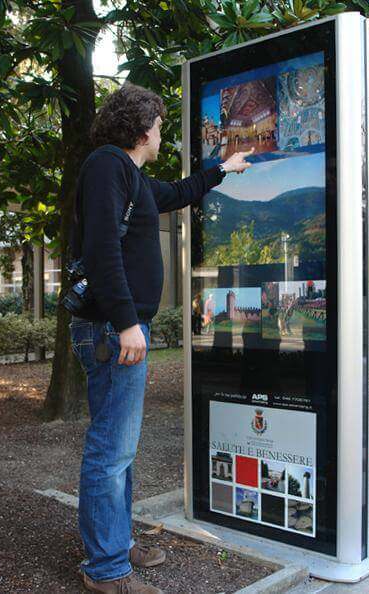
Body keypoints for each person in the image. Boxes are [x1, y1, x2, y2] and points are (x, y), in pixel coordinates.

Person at [68, 83, 253, 594]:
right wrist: (127, 321)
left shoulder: (130, 176)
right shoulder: (107, 166)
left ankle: (115, 543)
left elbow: (178, 192)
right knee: (111, 449)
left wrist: (223, 169)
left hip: (119, 327)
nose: (161, 135)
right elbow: (101, 249)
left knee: (120, 448)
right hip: (113, 330)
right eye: (159, 127)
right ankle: (106, 571)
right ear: (141, 129)